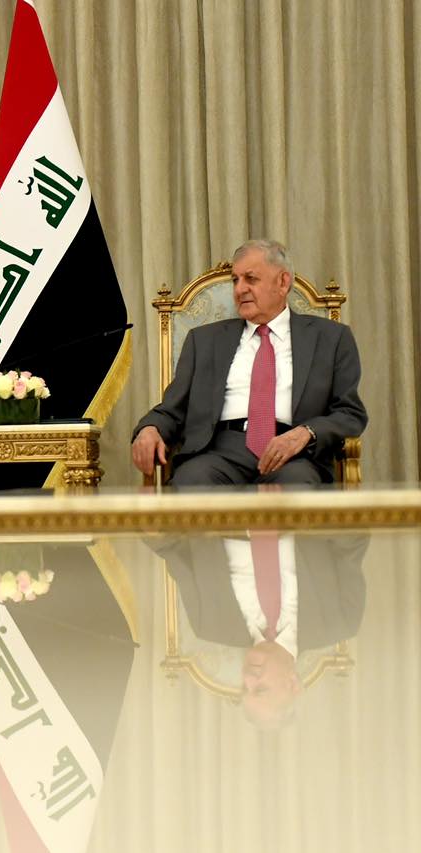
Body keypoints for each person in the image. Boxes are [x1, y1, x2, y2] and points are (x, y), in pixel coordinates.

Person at [131, 239, 366, 486]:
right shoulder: (204, 341)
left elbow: (350, 413)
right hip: (218, 453)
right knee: (192, 482)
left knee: (296, 487)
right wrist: (150, 428)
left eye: (251, 279)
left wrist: (306, 433)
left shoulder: (331, 338)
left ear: (283, 282)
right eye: (235, 280)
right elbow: (173, 409)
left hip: (295, 456)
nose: (239, 289)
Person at [151, 532, 368, 727]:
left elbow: (172, 550)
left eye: (245, 688)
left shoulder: (207, 624)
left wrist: (145, 523)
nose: (248, 678)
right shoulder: (341, 620)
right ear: (292, 683)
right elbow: (353, 541)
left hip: (219, 509)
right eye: (260, 689)